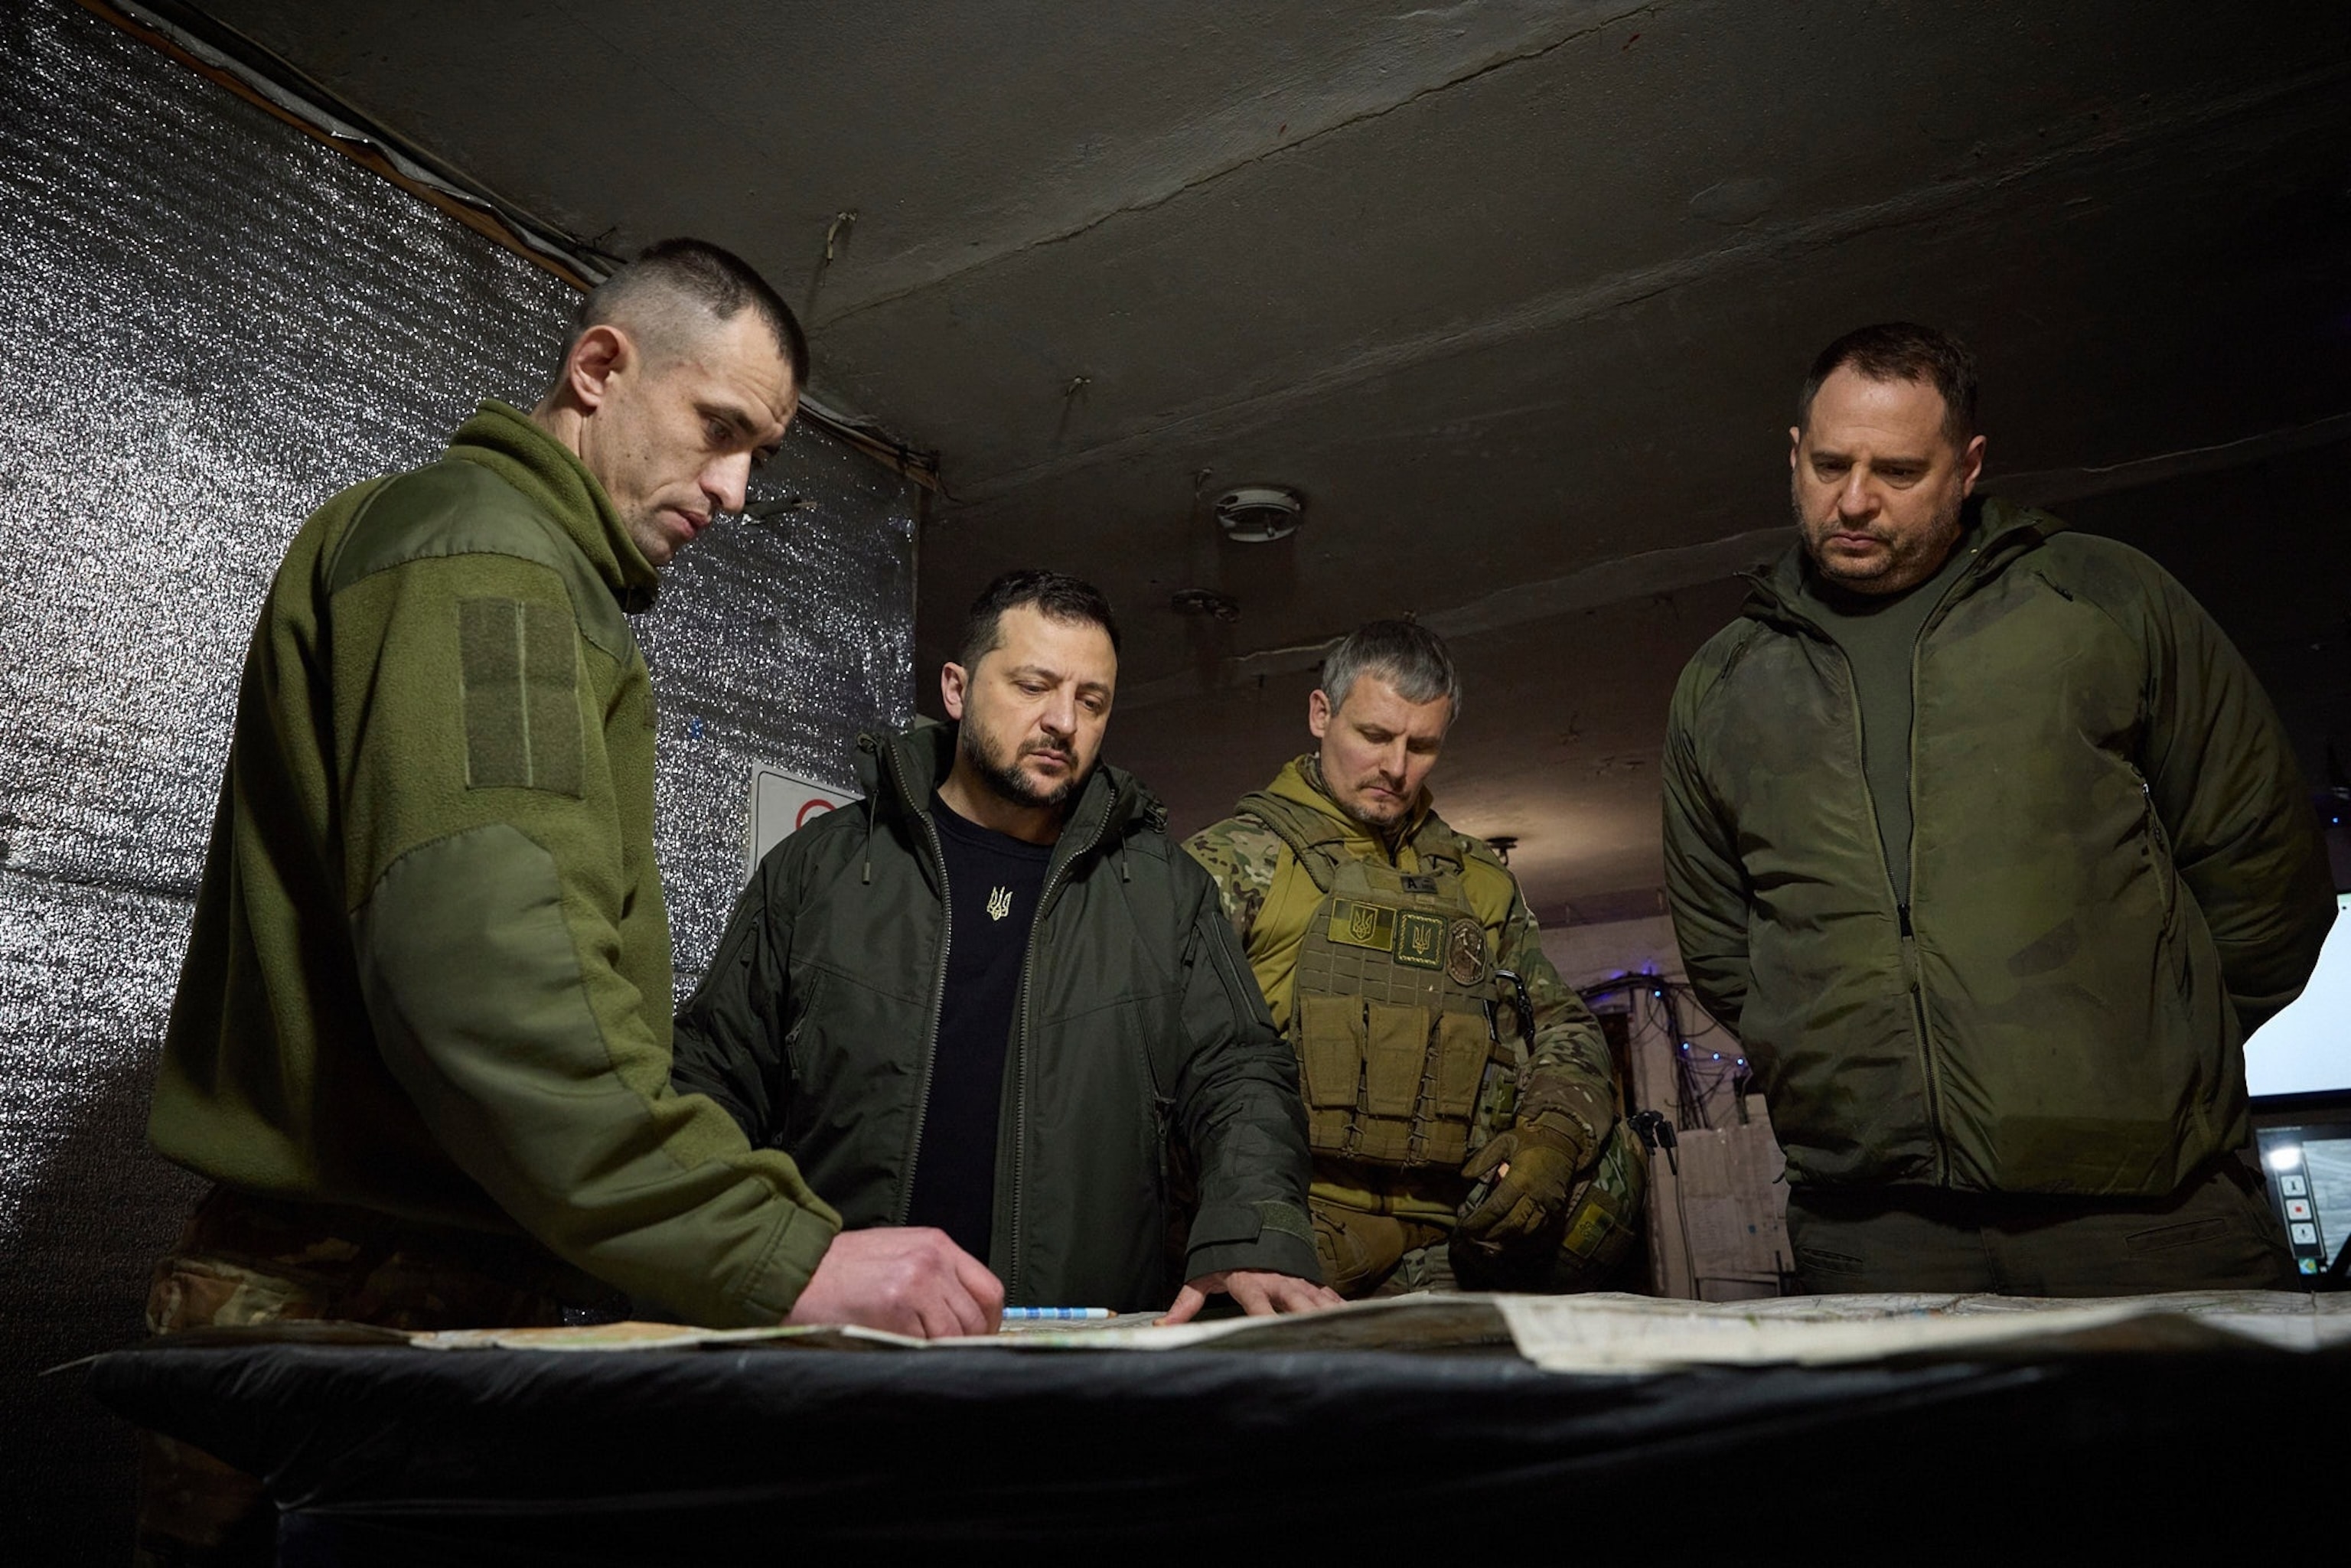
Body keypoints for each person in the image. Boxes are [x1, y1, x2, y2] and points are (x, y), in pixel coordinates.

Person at [141, 241, 992, 1563]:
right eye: (719, 431)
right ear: (601, 367)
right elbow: (498, 989)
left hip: (385, 1288)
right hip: (359, 1303)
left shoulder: (497, 561)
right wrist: (779, 1251)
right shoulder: (491, 558)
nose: (732, 488)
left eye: (759, 456)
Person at [1661, 321, 2335, 1296]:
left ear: (1969, 466)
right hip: (1872, 1229)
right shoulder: (1723, 683)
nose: (1854, 500)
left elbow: (2262, 862)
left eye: (1897, 470)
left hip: (2145, 1211)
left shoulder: (2101, 599)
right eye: (1829, 464)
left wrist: (2151, 1054)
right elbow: (1726, 949)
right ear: (1794, 453)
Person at [671, 570, 1336, 1321]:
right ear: (957, 690)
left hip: (1074, 1353)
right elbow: (711, 1080)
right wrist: (743, 1262)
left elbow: (1240, 1074)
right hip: (848, 1343)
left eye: (1093, 701)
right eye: (1033, 686)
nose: (1064, 721)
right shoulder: (820, 869)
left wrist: (1252, 1231)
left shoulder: (1163, 892)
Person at [1185, 621, 1644, 1297]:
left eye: (1422, 745)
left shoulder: (1479, 878)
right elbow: (1155, 1066)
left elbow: (1564, 1025)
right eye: (1374, 736)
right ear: (1321, 713)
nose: (1396, 768)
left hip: (1457, 1258)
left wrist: (1551, 1137)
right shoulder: (1231, 866)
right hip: (1290, 1258)